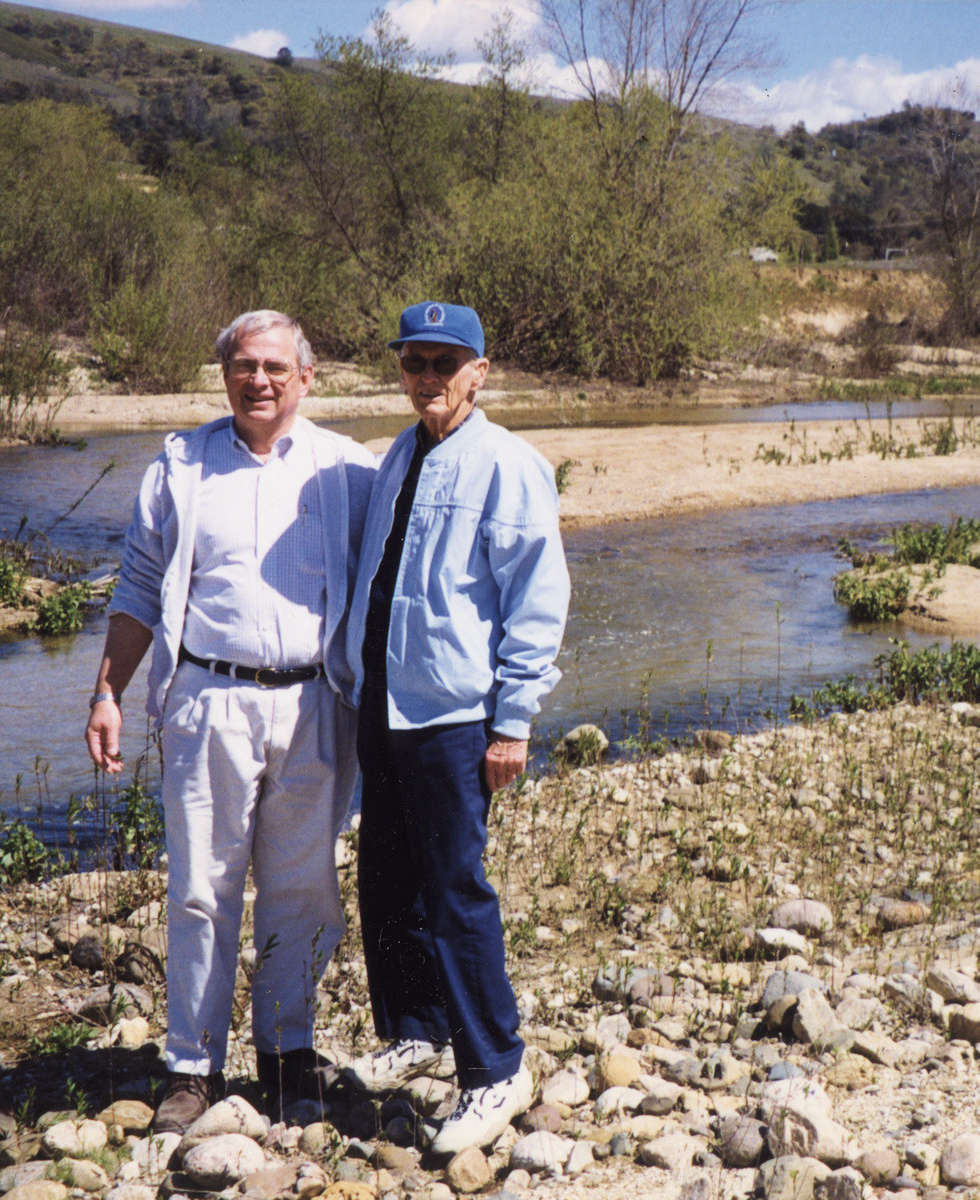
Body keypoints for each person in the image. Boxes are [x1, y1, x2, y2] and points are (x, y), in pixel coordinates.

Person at [84, 310, 375, 1132]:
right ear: (224, 373)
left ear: (307, 378)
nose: (260, 381)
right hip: (206, 701)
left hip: (316, 703)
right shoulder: (180, 467)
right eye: (245, 365)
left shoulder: (347, 471)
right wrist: (106, 692)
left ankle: (287, 1054)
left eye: (277, 367)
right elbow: (140, 588)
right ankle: (191, 1066)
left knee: (303, 885)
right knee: (201, 889)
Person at [340, 301, 570, 1155]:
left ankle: (495, 1068)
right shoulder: (398, 454)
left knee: (454, 891)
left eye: (445, 362)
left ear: (481, 371)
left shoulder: (510, 465)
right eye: (414, 362)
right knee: (388, 878)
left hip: (454, 714)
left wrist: (512, 723)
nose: (427, 377)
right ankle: (418, 1030)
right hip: (385, 706)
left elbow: (536, 603)